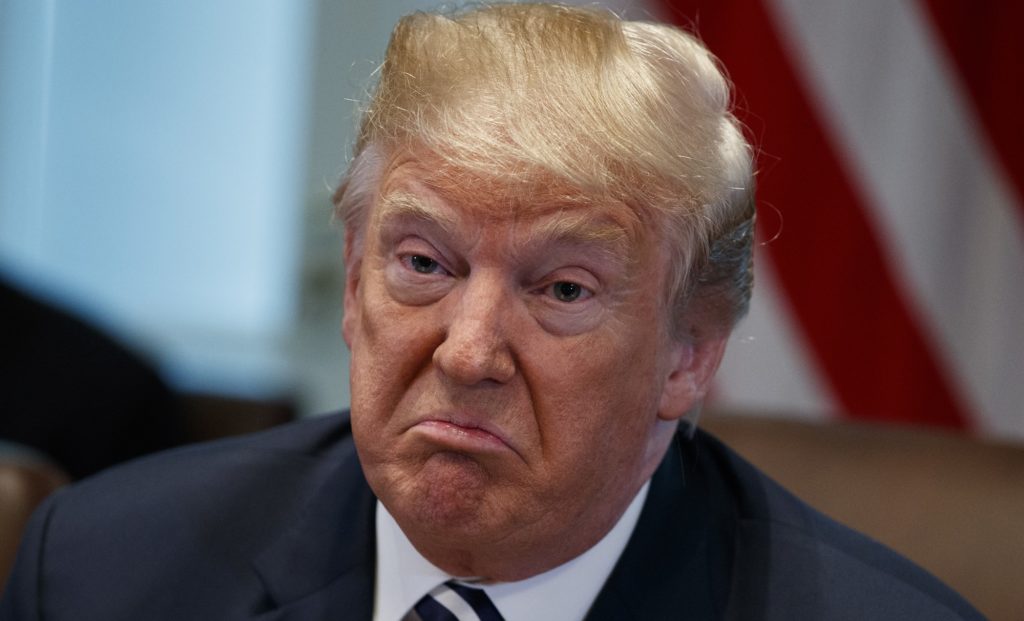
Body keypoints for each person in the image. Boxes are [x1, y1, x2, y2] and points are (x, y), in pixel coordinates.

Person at [0, 3, 982, 619]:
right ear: (353, 284)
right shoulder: (104, 567)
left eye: (561, 290)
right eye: (423, 263)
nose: (468, 352)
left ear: (690, 353)